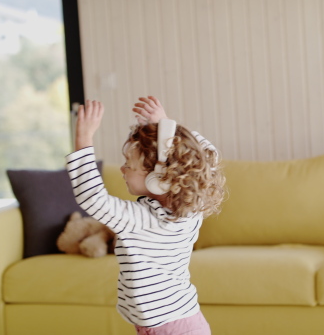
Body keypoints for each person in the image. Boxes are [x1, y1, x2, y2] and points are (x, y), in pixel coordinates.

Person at [65, 96, 225, 335]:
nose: (122, 169)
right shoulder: (191, 209)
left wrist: (83, 140)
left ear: (157, 179)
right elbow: (208, 157)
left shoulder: (142, 220)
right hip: (180, 322)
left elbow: (93, 198)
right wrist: (166, 126)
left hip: (170, 328)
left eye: (128, 165)